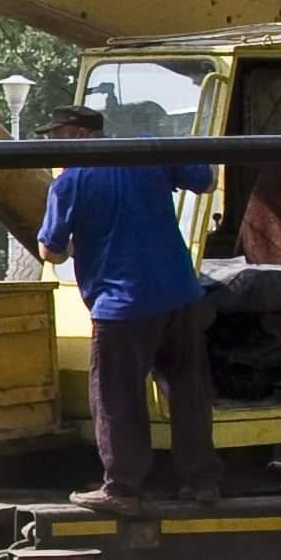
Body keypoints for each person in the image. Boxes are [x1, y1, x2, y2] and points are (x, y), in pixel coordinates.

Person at [35, 100, 220, 513]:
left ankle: (122, 488)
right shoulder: (147, 153)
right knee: (189, 391)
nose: (53, 147)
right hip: (179, 295)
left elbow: (52, 253)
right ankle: (202, 480)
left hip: (121, 307)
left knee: (117, 397)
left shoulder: (69, 183)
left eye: (57, 137)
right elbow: (206, 181)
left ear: (79, 135)